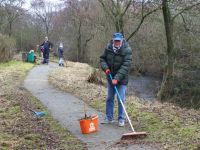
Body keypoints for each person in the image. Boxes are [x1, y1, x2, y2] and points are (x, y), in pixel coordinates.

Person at [100, 32, 132, 127]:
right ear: (113, 40)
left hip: (122, 79)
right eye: (115, 41)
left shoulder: (127, 50)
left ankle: (121, 118)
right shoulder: (108, 48)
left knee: (120, 99)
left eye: (118, 41)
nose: (117, 42)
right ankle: (109, 118)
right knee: (109, 98)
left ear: (122, 41)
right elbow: (102, 59)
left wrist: (117, 78)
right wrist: (106, 68)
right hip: (110, 77)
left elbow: (126, 66)